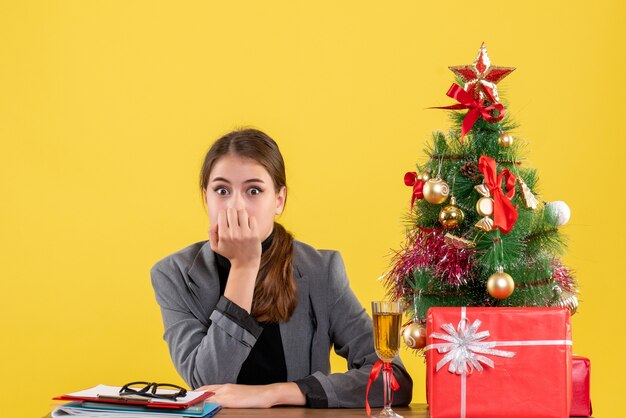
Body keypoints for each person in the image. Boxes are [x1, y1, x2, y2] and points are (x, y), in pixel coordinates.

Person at [150, 128, 413, 408]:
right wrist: (244, 266)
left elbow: (392, 379)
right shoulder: (174, 274)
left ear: (279, 200)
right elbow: (207, 382)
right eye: (222, 190)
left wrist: (276, 393)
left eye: (253, 190)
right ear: (207, 198)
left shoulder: (320, 270)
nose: (235, 205)